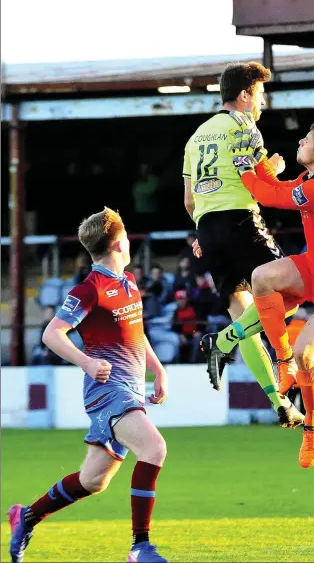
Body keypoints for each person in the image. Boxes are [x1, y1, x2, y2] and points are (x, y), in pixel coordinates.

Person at [202, 116, 314, 468]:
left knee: (307, 353)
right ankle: (281, 359)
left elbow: (269, 195)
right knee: (262, 277)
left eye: (306, 140)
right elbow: (276, 185)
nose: (300, 143)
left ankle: (313, 425)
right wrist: (260, 163)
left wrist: (245, 167)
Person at [8, 207, 169, 563]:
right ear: (118, 243)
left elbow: (136, 333)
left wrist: (158, 370)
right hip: (109, 391)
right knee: (154, 449)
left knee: (94, 480)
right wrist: (86, 361)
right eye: (126, 234)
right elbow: (53, 333)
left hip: (129, 388)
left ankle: (26, 516)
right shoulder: (89, 289)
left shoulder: (128, 282)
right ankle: (140, 546)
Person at [183, 61, 304, 428]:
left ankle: (279, 402)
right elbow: (260, 186)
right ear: (244, 95)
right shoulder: (244, 126)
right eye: (260, 94)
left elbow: (190, 201)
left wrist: (205, 232)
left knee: (245, 311)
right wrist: (276, 170)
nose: (262, 103)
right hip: (240, 221)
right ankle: (220, 342)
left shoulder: (196, 137)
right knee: (287, 295)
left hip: (207, 227)